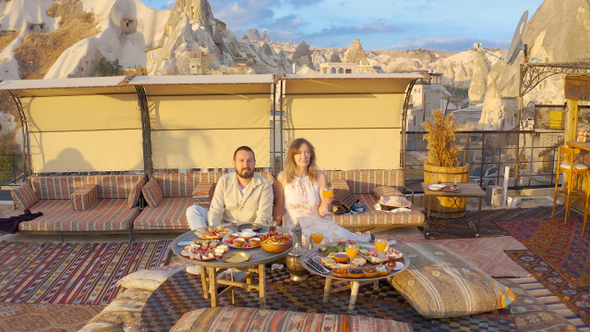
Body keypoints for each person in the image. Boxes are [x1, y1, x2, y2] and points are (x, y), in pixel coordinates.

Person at [273, 138, 371, 245]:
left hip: (318, 221)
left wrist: (327, 202)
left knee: (343, 236)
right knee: (310, 240)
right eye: (299, 153)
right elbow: (279, 208)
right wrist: (273, 231)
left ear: (311, 155)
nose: (304, 156)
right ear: (292, 156)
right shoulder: (283, 177)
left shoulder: (320, 176)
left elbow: (323, 212)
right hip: (296, 224)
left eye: (307, 152)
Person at [185, 146, 274, 229]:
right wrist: (216, 233)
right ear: (234, 163)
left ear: (255, 163)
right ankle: (205, 242)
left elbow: (263, 218)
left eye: (249, 160)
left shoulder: (264, 185)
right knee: (193, 210)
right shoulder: (224, 181)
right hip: (224, 228)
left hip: (249, 231)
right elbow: (216, 212)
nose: (246, 165)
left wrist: (249, 235)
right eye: (241, 160)